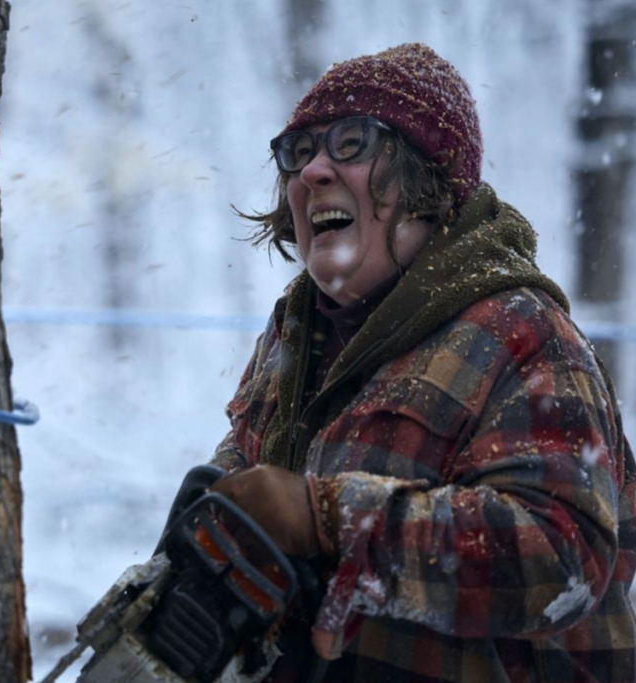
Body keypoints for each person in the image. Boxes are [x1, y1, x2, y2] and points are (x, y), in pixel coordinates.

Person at [208, 43, 636, 682]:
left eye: (351, 142)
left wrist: (330, 518)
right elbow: (246, 492)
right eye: (297, 152)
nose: (312, 171)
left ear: (429, 181)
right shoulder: (292, 335)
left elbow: (562, 560)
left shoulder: (523, 331)